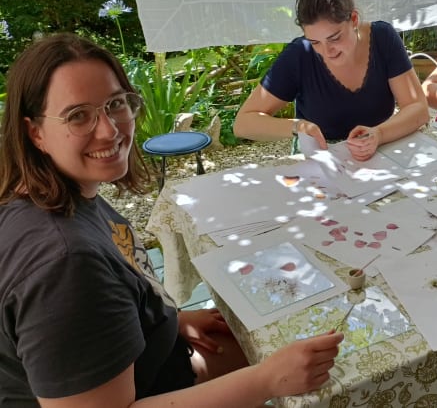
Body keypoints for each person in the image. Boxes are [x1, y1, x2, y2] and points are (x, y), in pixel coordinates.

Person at [0, 33, 343, 406]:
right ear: (35, 132)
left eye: (116, 104)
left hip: (151, 360)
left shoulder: (52, 195)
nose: (109, 130)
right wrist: (266, 381)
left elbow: (106, 303)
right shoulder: (66, 265)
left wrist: (165, 320)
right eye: (78, 115)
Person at [234, 0, 429, 161]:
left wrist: (379, 134)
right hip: (322, 163)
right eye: (315, 42)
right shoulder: (300, 54)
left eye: (335, 38)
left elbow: (418, 108)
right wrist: (298, 126)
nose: (327, 51)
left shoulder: (382, 38)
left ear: (354, 19)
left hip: (382, 152)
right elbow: (243, 123)